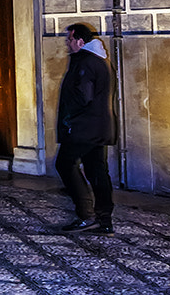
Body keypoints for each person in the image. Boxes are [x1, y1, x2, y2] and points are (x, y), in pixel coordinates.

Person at [56, 22, 114, 235]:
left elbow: (82, 97)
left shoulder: (86, 62)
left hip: (83, 128)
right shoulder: (97, 60)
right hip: (96, 127)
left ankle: (86, 214)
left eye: (70, 40)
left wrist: (69, 121)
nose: (67, 44)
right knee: (96, 171)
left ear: (80, 41)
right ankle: (104, 220)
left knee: (65, 164)